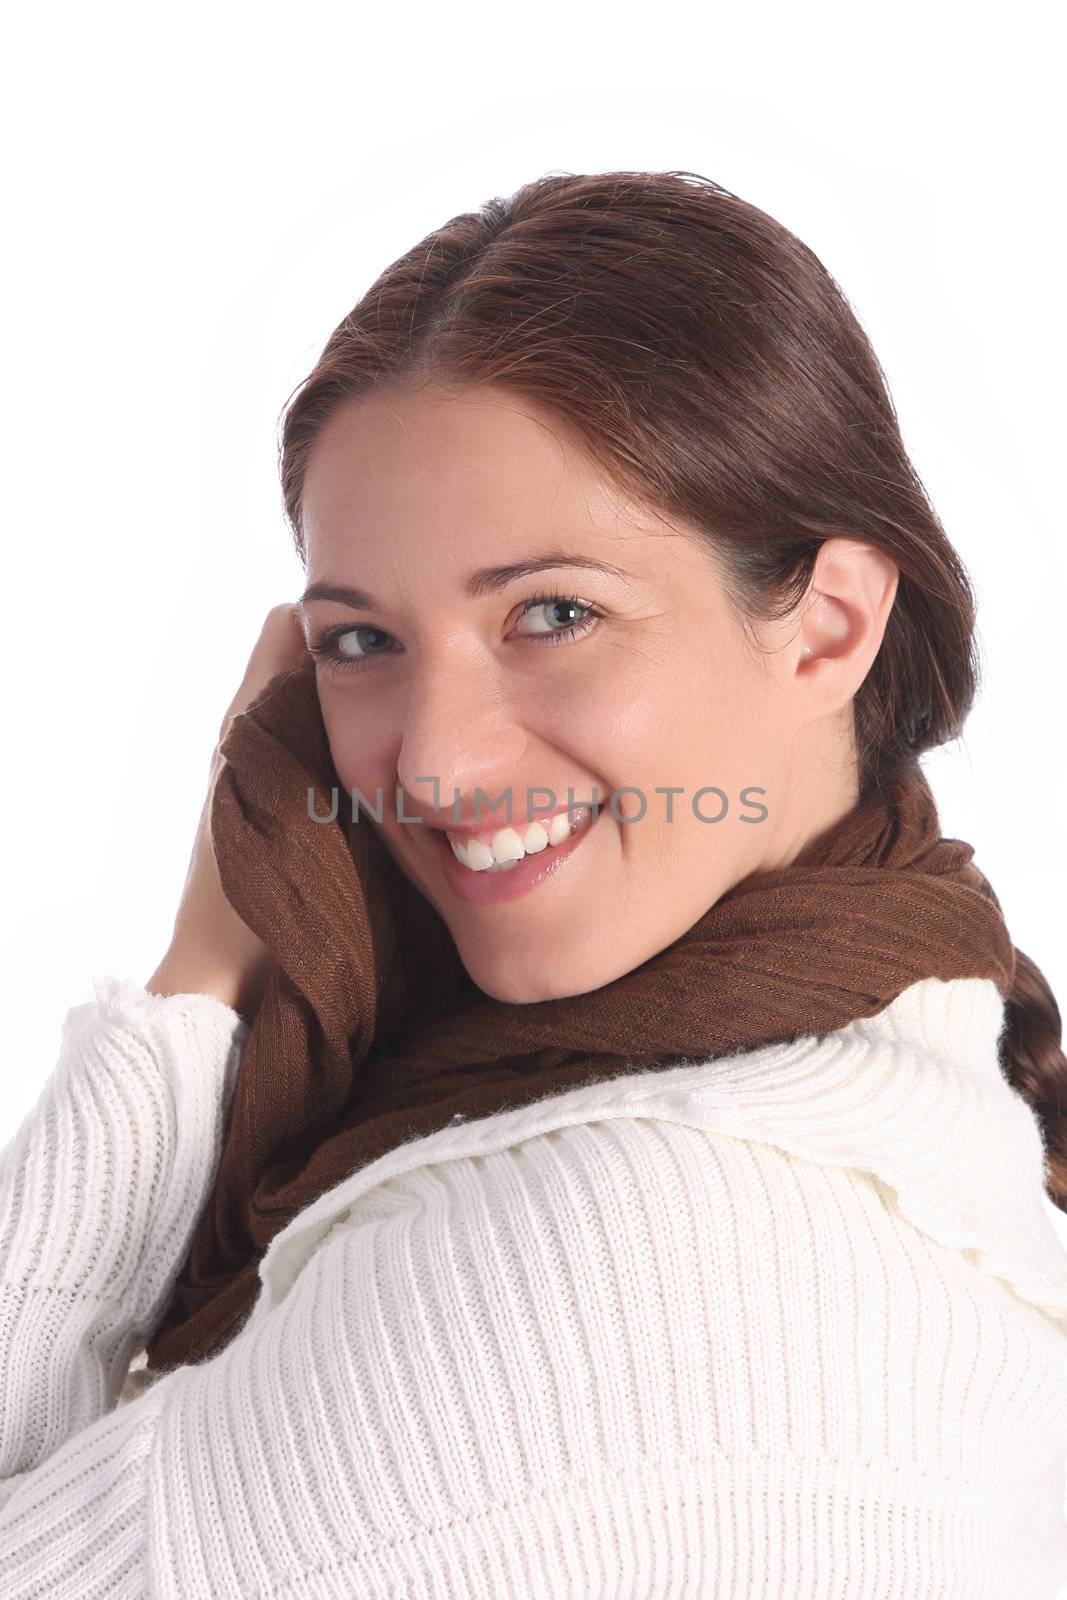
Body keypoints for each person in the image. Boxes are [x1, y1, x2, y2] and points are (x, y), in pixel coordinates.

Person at [1, 168, 1065, 1598]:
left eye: (552, 614)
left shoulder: (632, 1242)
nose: (432, 767)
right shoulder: (914, 1137)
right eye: (361, 641)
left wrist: (195, 997)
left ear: (826, 627)